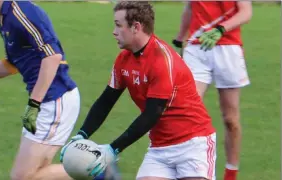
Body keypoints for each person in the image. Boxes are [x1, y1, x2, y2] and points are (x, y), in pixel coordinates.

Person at [61, 1, 216, 180]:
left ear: (136, 27)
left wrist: (113, 149)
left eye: (119, 25)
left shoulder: (162, 61)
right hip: (160, 148)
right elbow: (106, 101)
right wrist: (82, 134)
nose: (114, 31)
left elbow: (152, 113)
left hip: (193, 144)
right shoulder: (123, 59)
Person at [0, 1, 81, 180]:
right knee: (34, 174)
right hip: (47, 101)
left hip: (54, 100)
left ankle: (94, 167)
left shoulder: (21, 12)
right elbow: (13, 63)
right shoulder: (4, 19)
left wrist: (34, 104)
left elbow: (52, 55)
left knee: (22, 177)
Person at [172, 1, 252, 180]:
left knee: (230, 119)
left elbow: (246, 12)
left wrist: (220, 30)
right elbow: (190, 8)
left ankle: (230, 173)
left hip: (228, 49)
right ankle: (192, 169)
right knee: (186, 110)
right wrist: (179, 39)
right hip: (197, 47)